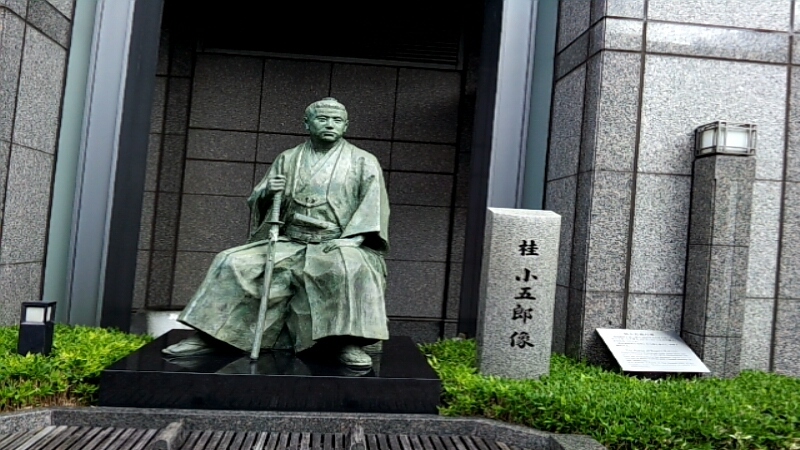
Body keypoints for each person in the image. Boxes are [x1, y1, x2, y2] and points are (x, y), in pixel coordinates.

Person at [162, 98, 390, 368]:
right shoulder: (288, 158)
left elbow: (373, 208)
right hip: (290, 240)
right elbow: (260, 199)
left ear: (346, 126)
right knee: (231, 261)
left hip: (337, 241)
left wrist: (354, 240)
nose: (330, 124)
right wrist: (269, 191)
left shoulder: (363, 161)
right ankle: (211, 336)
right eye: (322, 119)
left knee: (348, 268)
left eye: (336, 120)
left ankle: (344, 343)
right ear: (307, 124)